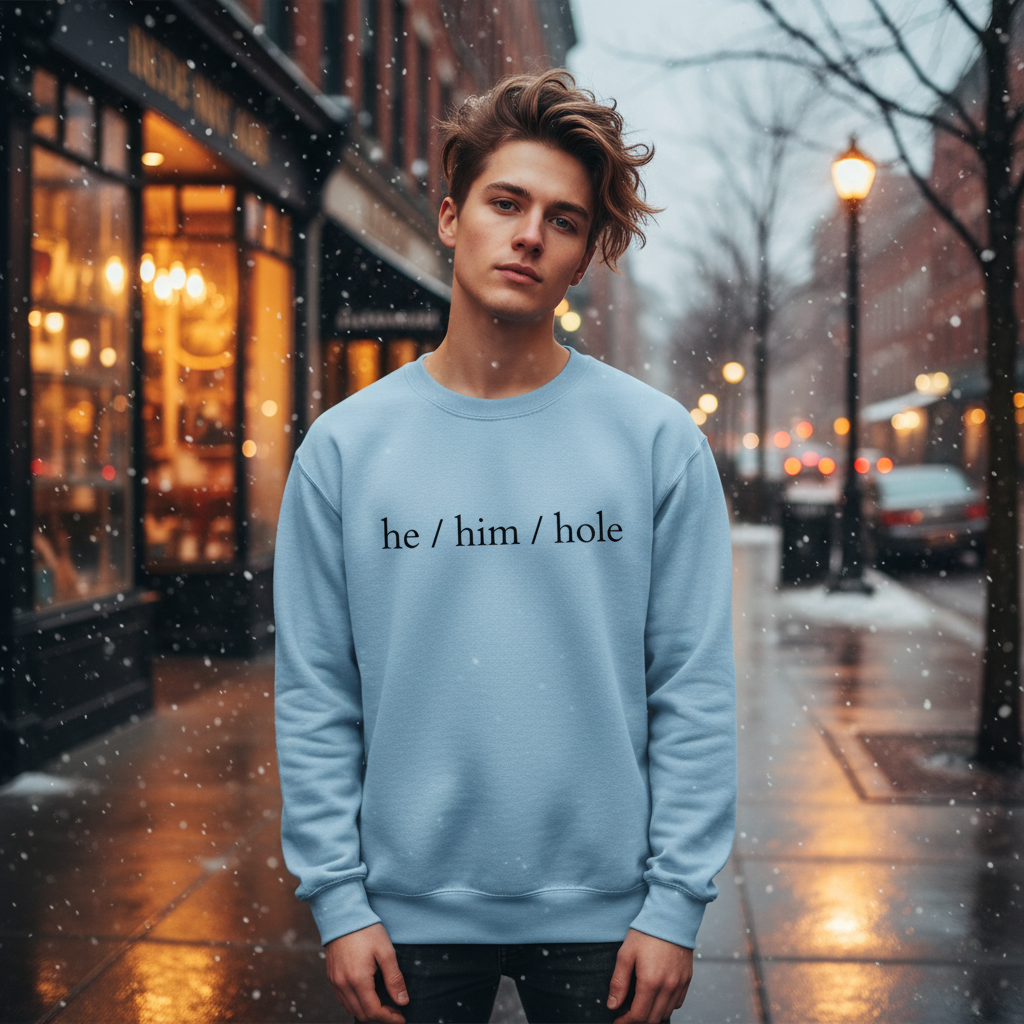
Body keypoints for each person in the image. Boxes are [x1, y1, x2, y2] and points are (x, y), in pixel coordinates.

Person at [274, 69, 737, 1024]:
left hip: (610, 921)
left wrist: (676, 903)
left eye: (563, 221)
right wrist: (336, 897)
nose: (529, 234)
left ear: (583, 257)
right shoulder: (347, 448)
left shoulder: (655, 444)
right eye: (506, 202)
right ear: (450, 219)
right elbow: (316, 688)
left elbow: (691, 684)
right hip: (404, 918)